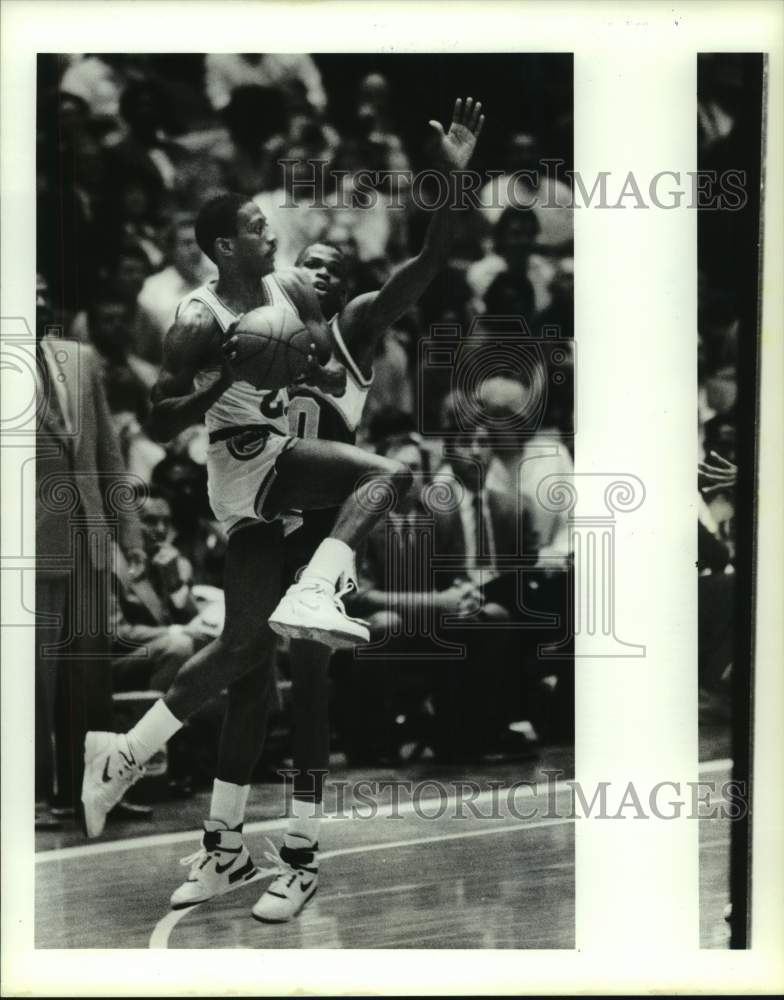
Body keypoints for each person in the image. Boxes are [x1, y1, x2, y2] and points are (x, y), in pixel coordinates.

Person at [81, 98, 485, 925]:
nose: (327, 273)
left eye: (341, 268)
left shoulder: (358, 328)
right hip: (259, 499)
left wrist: (451, 175)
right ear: (296, 275)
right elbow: (175, 405)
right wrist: (220, 381)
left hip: (329, 519)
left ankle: (299, 856)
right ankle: (222, 843)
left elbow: (433, 257)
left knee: (306, 692)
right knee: (246, 674)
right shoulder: (263, 320)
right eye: (318, 264)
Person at [35, 274, 146, 826]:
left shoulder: (77, 358)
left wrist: (129, 534)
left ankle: (100, 790)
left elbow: (109, 452)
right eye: (23, 289)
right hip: (28, 546)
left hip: (89, 536)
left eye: (42, 289)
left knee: (89, 674)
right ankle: (34, 796)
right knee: (37, 675)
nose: (37, 297)